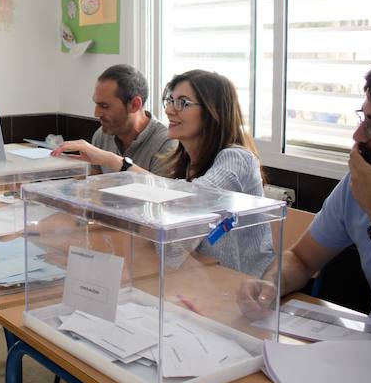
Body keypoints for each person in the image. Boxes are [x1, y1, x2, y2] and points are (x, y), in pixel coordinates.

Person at [238, 54, 371, 352]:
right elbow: (302, 259)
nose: (358, 136)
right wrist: (271, 284)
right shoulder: (359, 184)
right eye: (363, 119)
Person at [55, 69, 274, 276]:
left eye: (182, 103)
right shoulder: (186, 162)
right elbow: (170, 228)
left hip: (246, 284)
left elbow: (188, 198)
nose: (170, 110)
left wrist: (111, 160)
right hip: (206, 277)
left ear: (212, 112)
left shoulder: (237, 158)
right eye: (170, 100)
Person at [58, 65, 176, 175]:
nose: (96, 113)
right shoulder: (101, 136)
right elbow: (95, 189)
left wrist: (110, 160)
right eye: (96, 104)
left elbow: (163, 190)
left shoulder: (166, 142)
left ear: (134, 105)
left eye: (104, 106)